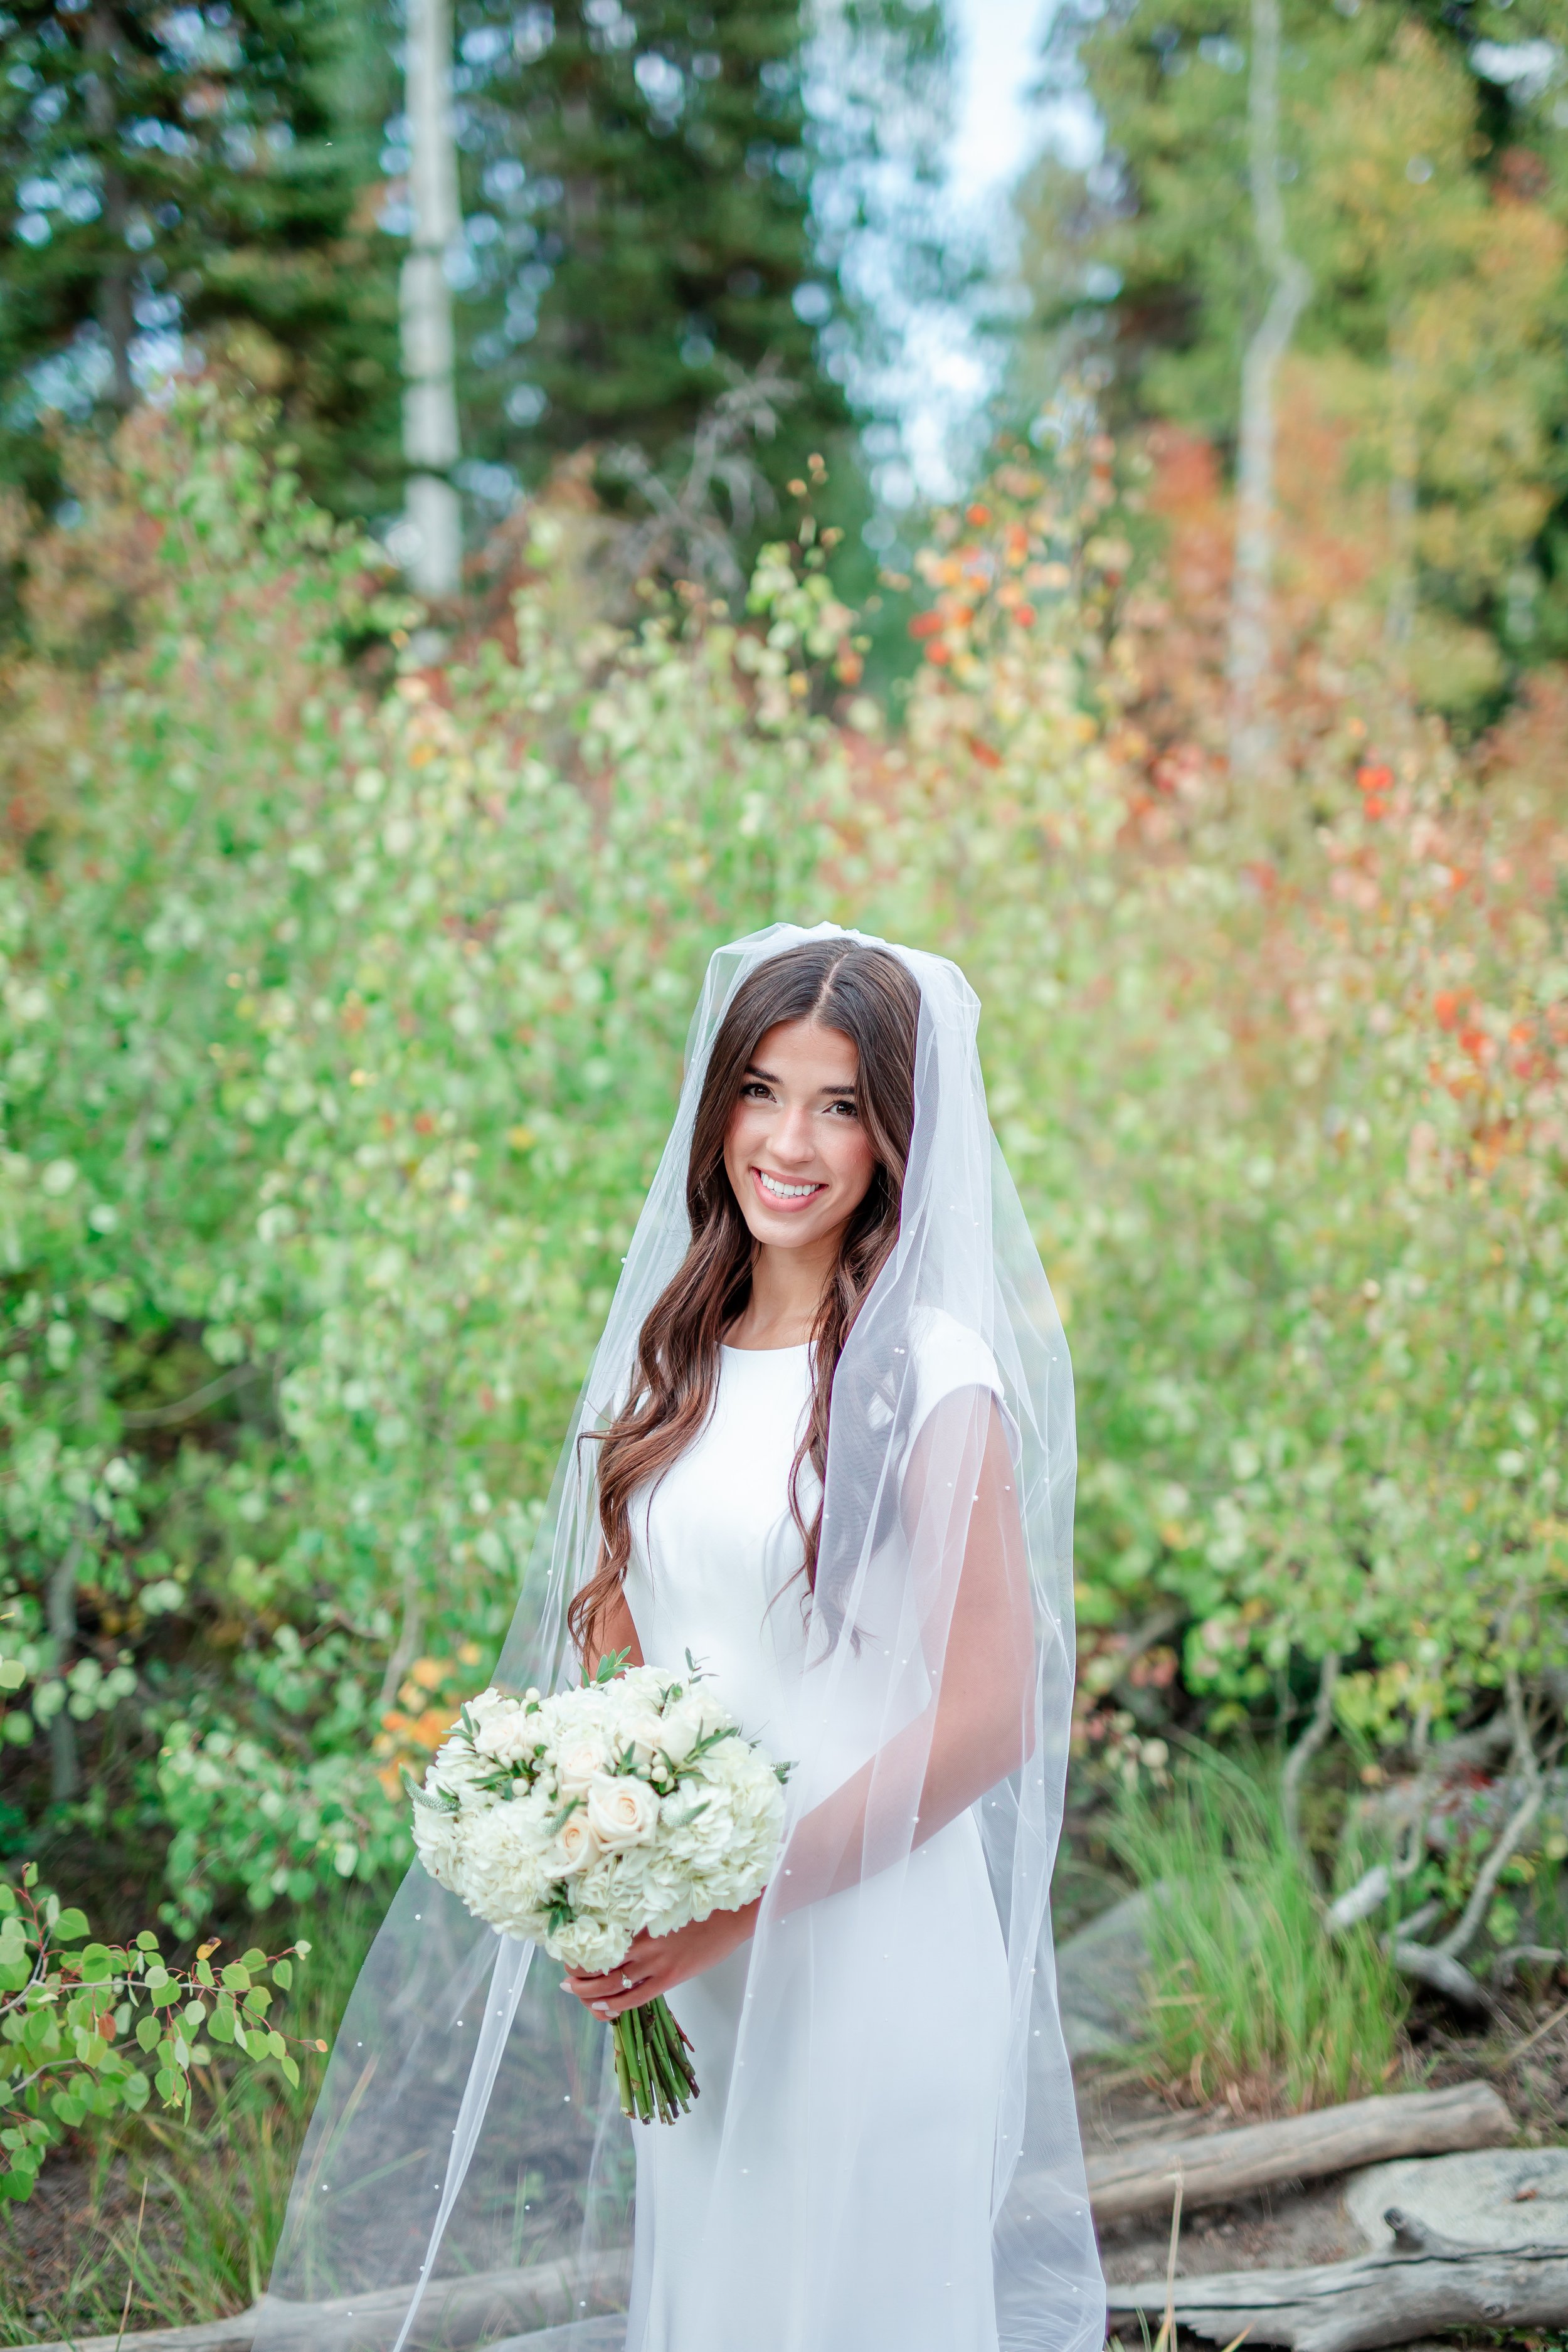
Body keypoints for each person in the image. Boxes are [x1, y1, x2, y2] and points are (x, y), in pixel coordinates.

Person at [253, 924, 1103, 2352]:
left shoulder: (934, 1374)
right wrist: (602, 1847)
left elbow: (986, 1712)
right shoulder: (680, 1353)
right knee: (717, 2301)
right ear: (717, 1104)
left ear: (898, 1137)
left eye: (842, 1106)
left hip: (869, 1948)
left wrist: (736, 1899)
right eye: (763, 1089)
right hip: (700, 1959)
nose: (791, 1140)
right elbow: (632, 1629)